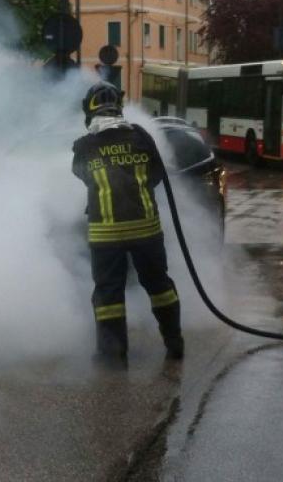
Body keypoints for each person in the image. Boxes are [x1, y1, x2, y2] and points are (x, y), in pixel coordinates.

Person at [72, 81, 184, 365]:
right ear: (118, 108)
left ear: (91, 111)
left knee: (109, 294)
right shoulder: (141, 137)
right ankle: (174, 343)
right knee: (159, 286)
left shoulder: (85, 146)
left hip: (105, 234)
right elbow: (157, 174)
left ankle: (114, 354)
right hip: (146, 228)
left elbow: (82, 175)